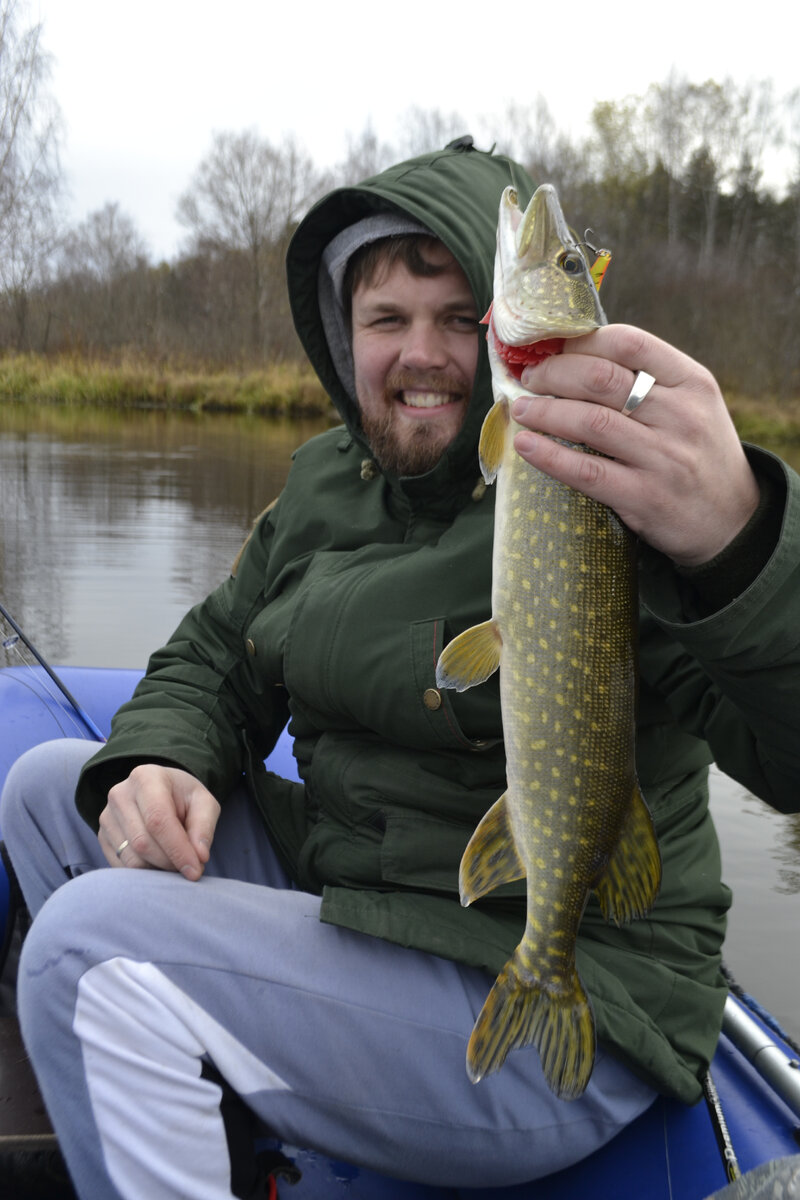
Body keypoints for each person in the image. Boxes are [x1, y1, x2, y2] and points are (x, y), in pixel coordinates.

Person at [2, 138, 800, 1200]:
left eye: (458, 317)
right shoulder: (329, 481)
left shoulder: (619, 486)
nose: (418, 353)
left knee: (84, 950)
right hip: (370, 903)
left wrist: (739, 541)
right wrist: (161, 757)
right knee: (49, 788)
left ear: (514, 331)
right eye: (385, 319)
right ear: (344, 340)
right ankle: (230, 1115)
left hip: (570, 991)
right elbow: (213, 655)